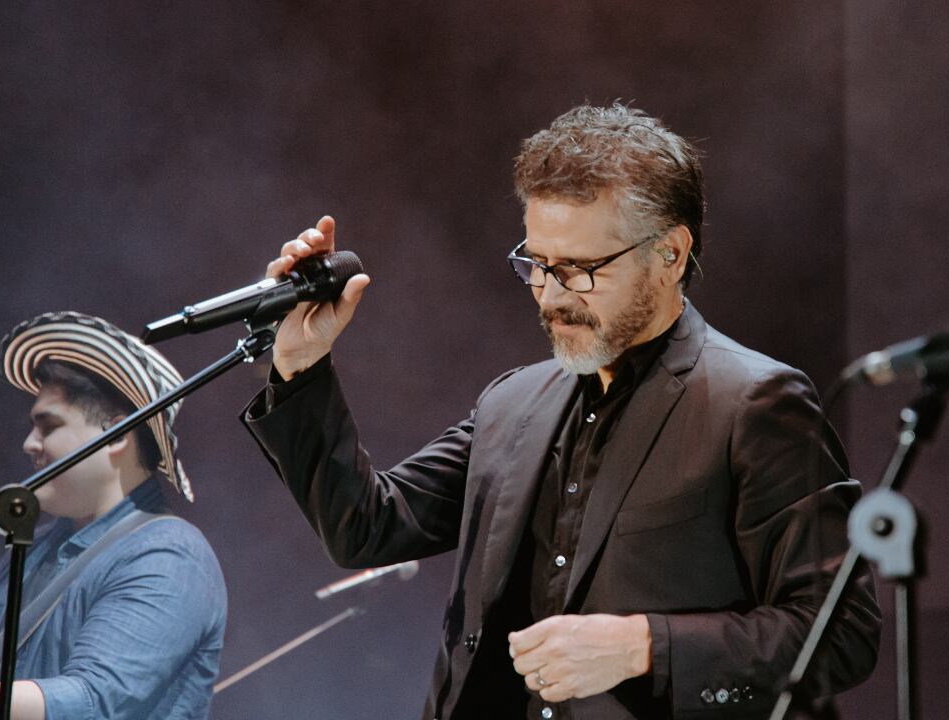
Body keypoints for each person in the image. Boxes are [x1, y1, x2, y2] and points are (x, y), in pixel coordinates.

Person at [243, 103, 880, 719]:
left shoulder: (755, 403)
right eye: (538, 265)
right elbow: (369, 526)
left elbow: (841, 630)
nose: (549, 296)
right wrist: (302, 365)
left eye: (577, 269)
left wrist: (645, 645)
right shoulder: (512, 402)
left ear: (670, 254)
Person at [0, 312, 227, 720]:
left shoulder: (171, 556)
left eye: (49, 426)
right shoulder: (36, 544)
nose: (29, 444)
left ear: (117, 435)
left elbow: (89, 703)